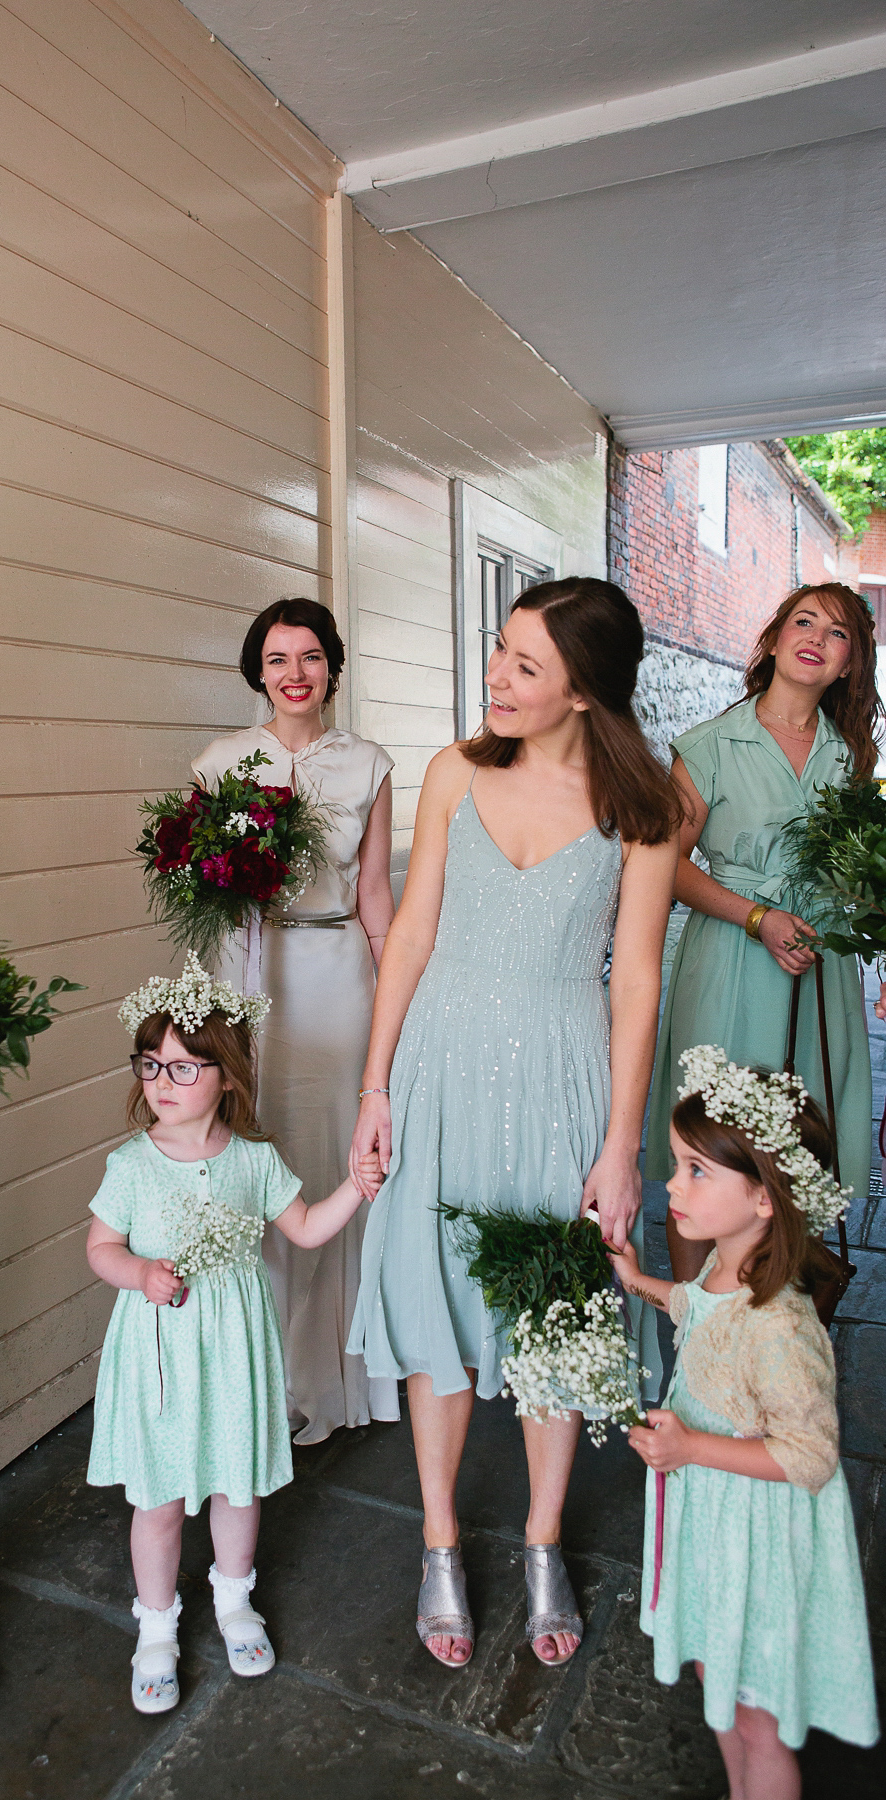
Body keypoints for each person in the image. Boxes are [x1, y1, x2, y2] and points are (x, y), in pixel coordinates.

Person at [348, 577, 680, 1670]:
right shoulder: (454, 771)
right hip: (440, 1067)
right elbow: (408, 940)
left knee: (558, 1319)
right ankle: (440, 1540)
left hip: (564, 1074)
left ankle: (543, 1543)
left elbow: (635, 981)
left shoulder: (647, 806)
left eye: (527, 665)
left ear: (585, 691)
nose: (497, 676)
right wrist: (377, 1086)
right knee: (434, 1298)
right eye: (499, 652)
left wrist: (622, 1148)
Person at [85, 953, 379, 1714]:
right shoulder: (131, 1165)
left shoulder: (254, 1161)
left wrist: (358, 1185)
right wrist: (139, 1272)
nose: (162, 1082)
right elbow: (99, 1248)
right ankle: (155, 1628)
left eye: (184, 1068)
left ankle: (234, 1597)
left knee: (235, 1479)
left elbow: (308, 1229)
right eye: (152, 1065)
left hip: (233, 1351)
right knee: (156, 1497)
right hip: (161, 1350)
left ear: (226, 1075)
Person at [612, 1047, 879, 1798]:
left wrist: (691, 1445)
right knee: (719, 1682)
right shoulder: (726, 1262)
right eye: (675, 1163)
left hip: (757, 1533)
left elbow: (811, 1454)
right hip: (717, 1520)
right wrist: (638, 1281)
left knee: (756, 1714)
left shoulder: (782, 1328)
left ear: (767, 1197)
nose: (673, 1184)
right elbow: (701, 1306)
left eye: (697, 1170)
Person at [192, 597, 396, 1445]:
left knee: (327, 1162)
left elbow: (378, 895)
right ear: (257, 672)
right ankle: (252, 1379)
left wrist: (397, 1003)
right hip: (248, 977)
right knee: (249, 1164)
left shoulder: (369, 765)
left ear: (333, 668)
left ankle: (331, 1381)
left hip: (338, 976)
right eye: (278, 659)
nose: (295, 675)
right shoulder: (218, 764)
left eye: (310, 657)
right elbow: (201, 891)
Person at [647, 583, 881, 1280]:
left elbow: (863, 871)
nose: (816, 637)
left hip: (820, 971)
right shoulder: (711, 745)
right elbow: (666, 869)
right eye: (803, 621)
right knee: (708, 1144)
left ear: (848, 665)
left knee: (800, 1145)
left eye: (837, 633)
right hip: (731, 959)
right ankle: (698, 1332)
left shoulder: (852, 759)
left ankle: (776, 1327)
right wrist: (757, 917)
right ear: (775, 639)